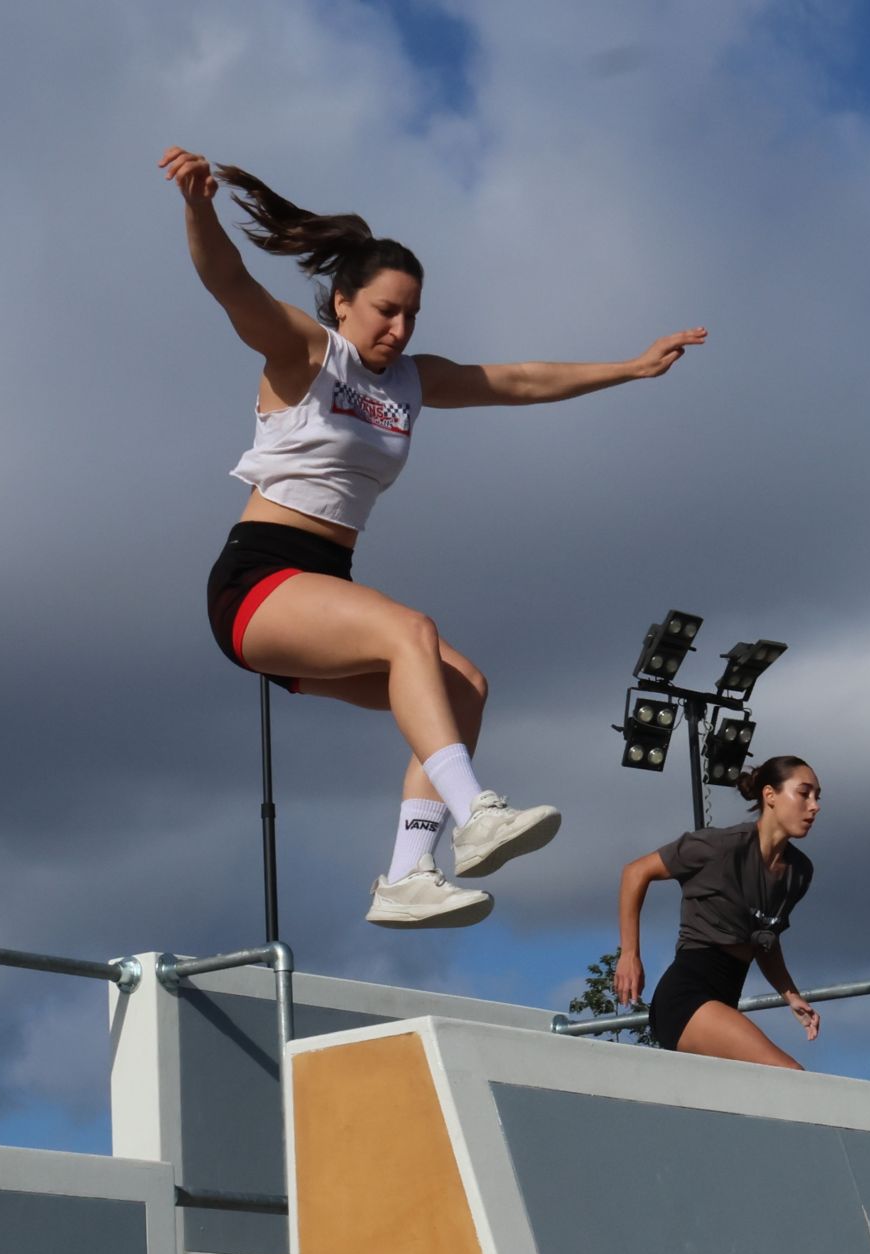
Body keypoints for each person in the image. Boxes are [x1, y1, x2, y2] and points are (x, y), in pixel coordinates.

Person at [160, 147, 707, 930]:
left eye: (413, 313)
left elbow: (516, 380)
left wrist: (628, 368)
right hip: (257, 581)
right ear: (343, 302)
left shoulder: (410, 382)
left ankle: (407, 875)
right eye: (386, 309)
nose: (401, 326)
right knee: (412, 631)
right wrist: (198, 207)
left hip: (325, 586)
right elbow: (229, 283)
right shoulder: (306, 353)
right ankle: (474, 812)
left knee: (459, 688)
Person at [613, 756, 822, 1066]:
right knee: (789, 1073)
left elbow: (764, 940)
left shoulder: (799, 872)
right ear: (770, 796)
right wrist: (629, 954)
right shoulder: (720, 847)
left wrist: (790, 994)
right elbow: (635, 873)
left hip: (725, 1001)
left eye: (818, 796)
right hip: (686, 1000)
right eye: (804, 793)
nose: (814, 805)